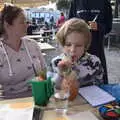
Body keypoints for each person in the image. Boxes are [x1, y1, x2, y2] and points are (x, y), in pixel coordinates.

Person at [0, 4, 46, 99]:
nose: (27, 24)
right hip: (8, 103)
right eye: (22, 22)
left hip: (37, 97)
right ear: (7, 25)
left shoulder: (32, 45)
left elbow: (44, 71)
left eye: (26, 21)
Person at [49, 18, 104, 88]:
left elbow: (100, 85)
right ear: (62, 44)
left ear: (85, 46)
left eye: (78, 45)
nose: (72, 50)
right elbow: (52, 88)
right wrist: (60, 74)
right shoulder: (55, 63)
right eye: (68, 44)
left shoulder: (94, 62)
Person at [68, 0, 113, 84]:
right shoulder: (75, 2)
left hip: (97, 48)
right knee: (77, 83)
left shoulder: (105, 2)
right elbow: (69, 24)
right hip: (78, 49)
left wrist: (98, 26)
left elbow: (109, 27)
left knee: (99, 82)